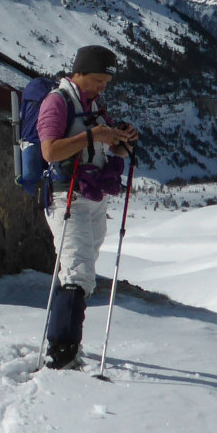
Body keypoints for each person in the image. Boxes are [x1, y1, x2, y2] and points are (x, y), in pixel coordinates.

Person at [37, 44, 138, 368]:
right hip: (66, 196)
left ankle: (64, 340)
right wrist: (94, 135)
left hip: (92, 196)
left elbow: (103, 149)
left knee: (82, 272)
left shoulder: (93, 106)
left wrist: (120, 145)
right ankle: (62, 353)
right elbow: (50, 152)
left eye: (105, 83)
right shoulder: (57, 102)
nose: (101, 87)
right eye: (96, 80)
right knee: (78, 273)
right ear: (77, 72)